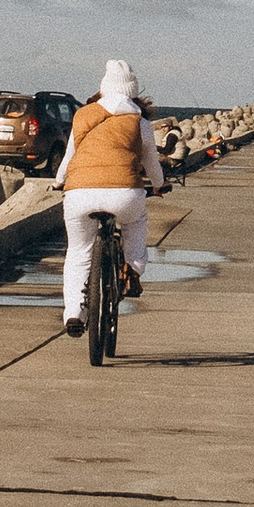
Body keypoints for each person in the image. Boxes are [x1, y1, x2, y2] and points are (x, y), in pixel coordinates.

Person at [55, 60, 166, 331]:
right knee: (136, 221)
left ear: (103, 89)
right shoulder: (140, 122)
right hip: (124, 193)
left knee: (78, 252)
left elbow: (70, 156)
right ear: (133, 92)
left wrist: (58, 181)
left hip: (80, 193)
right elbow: (151, 162)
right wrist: (159, 185)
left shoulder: (83, 116)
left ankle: (74, 313)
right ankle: (132, 270)